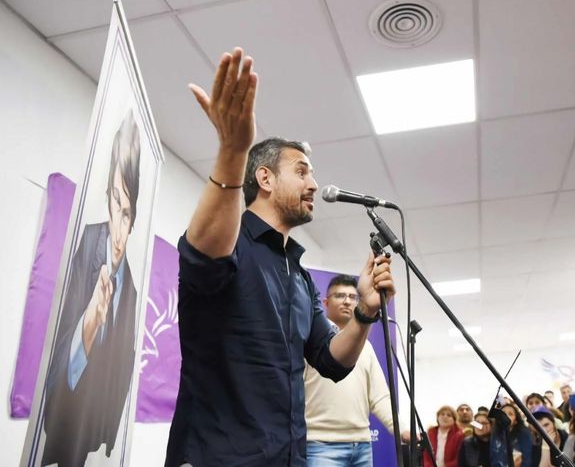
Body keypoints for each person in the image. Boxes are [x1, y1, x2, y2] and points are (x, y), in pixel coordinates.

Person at [164, 48, 395, 466]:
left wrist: (363, 312)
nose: (314, 183)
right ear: (264, 178)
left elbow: (331, 361)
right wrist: (233, 152)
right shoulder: (229, 239)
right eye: (302, 171)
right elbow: (201, 255)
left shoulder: (299, 275)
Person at [42, 110, 141, 467]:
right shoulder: (85, 245)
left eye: (127, 213)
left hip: (92, 432)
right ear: (106, 198)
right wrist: (89, 323)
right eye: (116, 202)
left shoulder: (130, 283)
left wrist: (108, 433)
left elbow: (123, 362)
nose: (118, 228)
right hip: (61, 421)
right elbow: (56, 350)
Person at [304, 274, 395, 466]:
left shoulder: (366, 348)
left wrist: (403, 429)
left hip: (362, 445)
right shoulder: (311, 341)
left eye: (353, 297)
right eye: (340, 296)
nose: (347, 301)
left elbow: (379, 397)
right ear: (325, 302)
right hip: (319, 445)